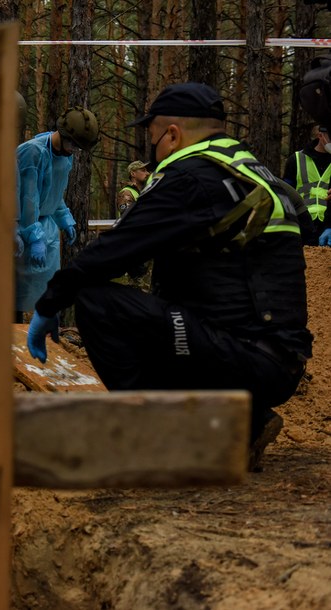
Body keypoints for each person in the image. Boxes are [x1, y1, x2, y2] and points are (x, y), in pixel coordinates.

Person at [26, 82, 314, 472]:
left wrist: (51, 300)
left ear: (173, 134)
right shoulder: (248, 170)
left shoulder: (192, 176)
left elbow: (116, 249)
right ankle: (244, 421)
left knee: (96, 299)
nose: (152, 153)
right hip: (275, 358)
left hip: (243, 353)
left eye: (153, 140)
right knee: (166, 306)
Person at [15, 106, 99, 318]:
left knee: (47, 292)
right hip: (19, 225)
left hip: (46, 225)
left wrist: (64, 218)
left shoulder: (65, 156)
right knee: (14, 292)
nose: (74, 150)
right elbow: (28, 198)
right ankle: (11, 338)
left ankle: (45, 339)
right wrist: (33, 236)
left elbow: (54, 192)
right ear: (63, 134)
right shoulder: (32, 152)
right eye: (74, 145)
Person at [282, 124, 331, 245]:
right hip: (302, 225)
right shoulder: (296, 159)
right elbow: (285, 195)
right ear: (321, 136)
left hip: (329, 226)